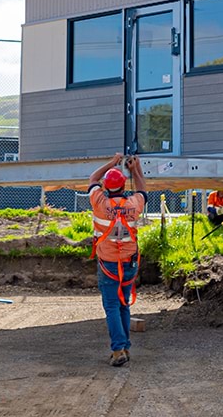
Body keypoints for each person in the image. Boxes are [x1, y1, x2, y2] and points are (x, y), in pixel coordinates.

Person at [88, 154, 147, 367]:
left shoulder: (99, 202)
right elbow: (142, 189)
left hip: (108, 263)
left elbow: (93, 178)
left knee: (112, 305)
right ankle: (125, 347)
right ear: (123, 186)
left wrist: (112, 163)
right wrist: (136, 169)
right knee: (123, 304)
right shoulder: (133, 203)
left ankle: (118, 350)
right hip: (129, 262)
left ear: (106, 186)